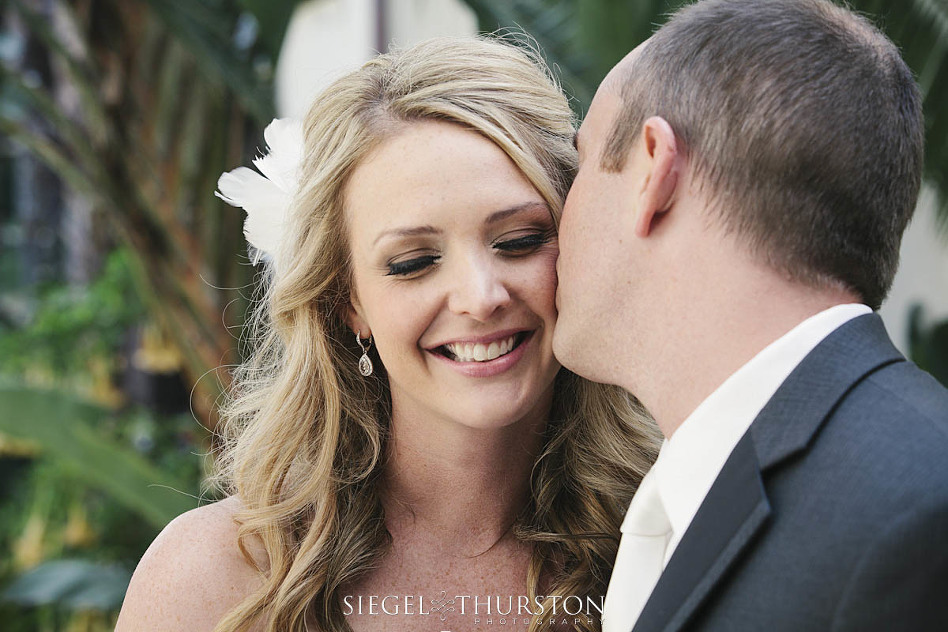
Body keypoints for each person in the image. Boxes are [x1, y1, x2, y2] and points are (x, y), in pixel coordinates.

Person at [115, 36, 659, 632]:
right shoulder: (215, 579)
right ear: (349, 302)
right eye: (413, 262)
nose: (481, 297)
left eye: (520, 241)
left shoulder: (669, 536)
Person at [552, 0, 948, 630]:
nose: (555, 225)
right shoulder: (683, 495)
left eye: (579, 167)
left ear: (654, 171)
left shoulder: (918, 514)